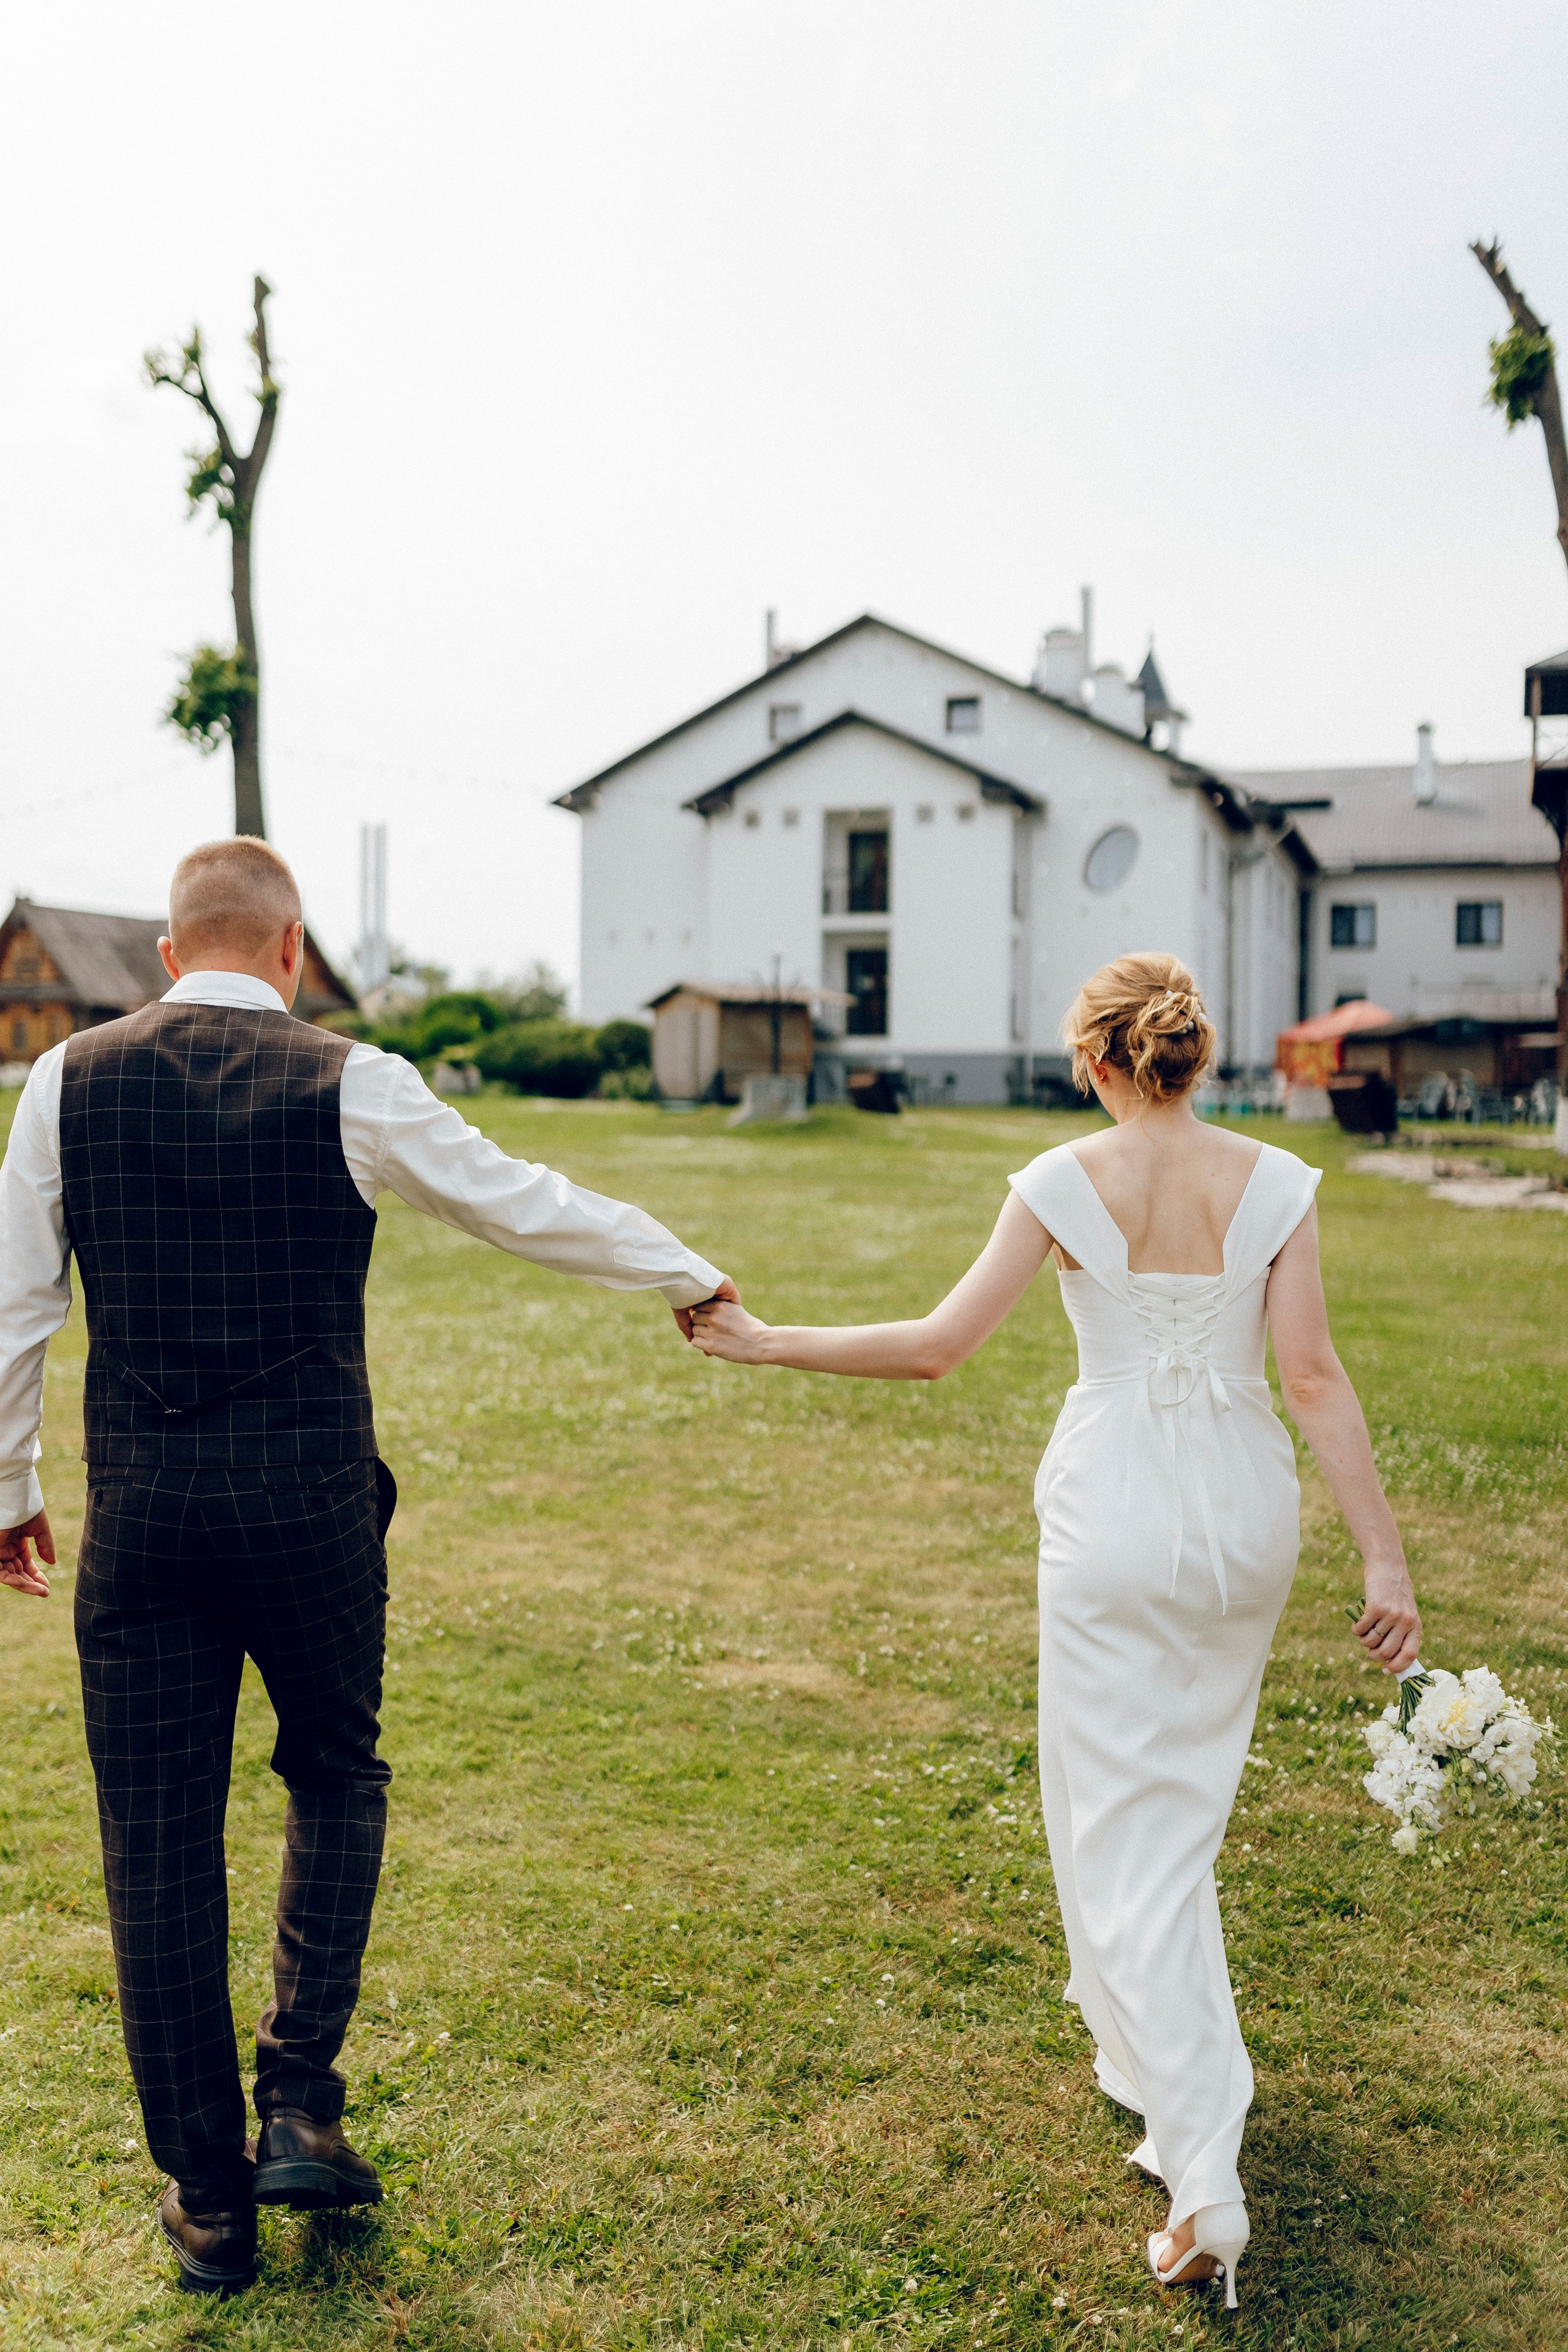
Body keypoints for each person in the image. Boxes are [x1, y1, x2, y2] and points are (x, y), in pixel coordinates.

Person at [0, 839, 734, 2296]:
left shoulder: (63, 1081)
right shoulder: (354, 1077)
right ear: (289, 952)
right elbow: (517, 1198)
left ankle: (211, 2199)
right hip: (309, 1508)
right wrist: (678, 1265)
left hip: (141, 1514)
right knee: (334, 1773)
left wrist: (7, 1482)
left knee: (155, 1841)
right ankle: (302, 2102)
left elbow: (15, 1296)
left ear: (166, 955)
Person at [689, 952, 1420, 2309]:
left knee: (1121, 1836)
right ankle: (1160, 2080)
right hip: (1244, 1515)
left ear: (1093, 1059)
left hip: (1112, 1518)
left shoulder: (1059, 1179)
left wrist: (766, 1340)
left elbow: (934, 1345)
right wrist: (1382, 1562)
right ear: (1190, 1056)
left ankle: (1204, 2173)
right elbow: (1309, 1377)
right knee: (1171, 1819)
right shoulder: (1275, 1181)